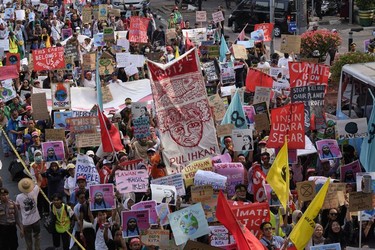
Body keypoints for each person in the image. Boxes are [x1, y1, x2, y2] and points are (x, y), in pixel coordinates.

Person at [16, 178, 41, 250]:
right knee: (37, 237)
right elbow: (39, 181)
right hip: (36, 219)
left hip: (26, 222)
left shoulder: (19, 197)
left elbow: (18, 207)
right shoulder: (34, 191)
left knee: (28, 239)